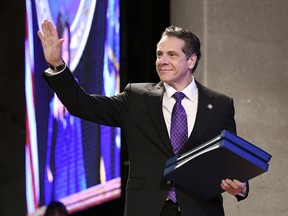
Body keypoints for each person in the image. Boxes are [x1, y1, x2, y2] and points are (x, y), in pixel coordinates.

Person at [38, 20, 248, 216]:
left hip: (199, 209)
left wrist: (241, 186)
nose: (162, 61)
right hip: (148, 209)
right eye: (159, 54)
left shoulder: (220, 105)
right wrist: (58, 66)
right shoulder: (137, 98)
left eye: (172, 55)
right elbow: (83, 106)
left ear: (191, 60)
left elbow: (231, 160)